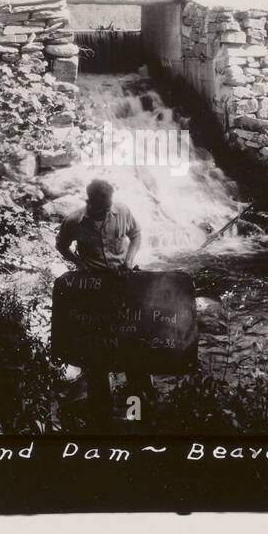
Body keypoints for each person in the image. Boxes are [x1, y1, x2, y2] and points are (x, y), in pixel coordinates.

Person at [55, 179, 155, 426]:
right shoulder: (74, 221)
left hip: (125, 282)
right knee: (98, 346)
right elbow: (62, 245)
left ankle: (141, 406)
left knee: (133, 341)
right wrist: (80, 265)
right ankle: (101, 410)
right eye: (101, 206)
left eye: (108, 205)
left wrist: (130, 260)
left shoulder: (122, 211)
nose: (105, 210)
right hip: (95, 289)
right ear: (90, 201)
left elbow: (137, 234)